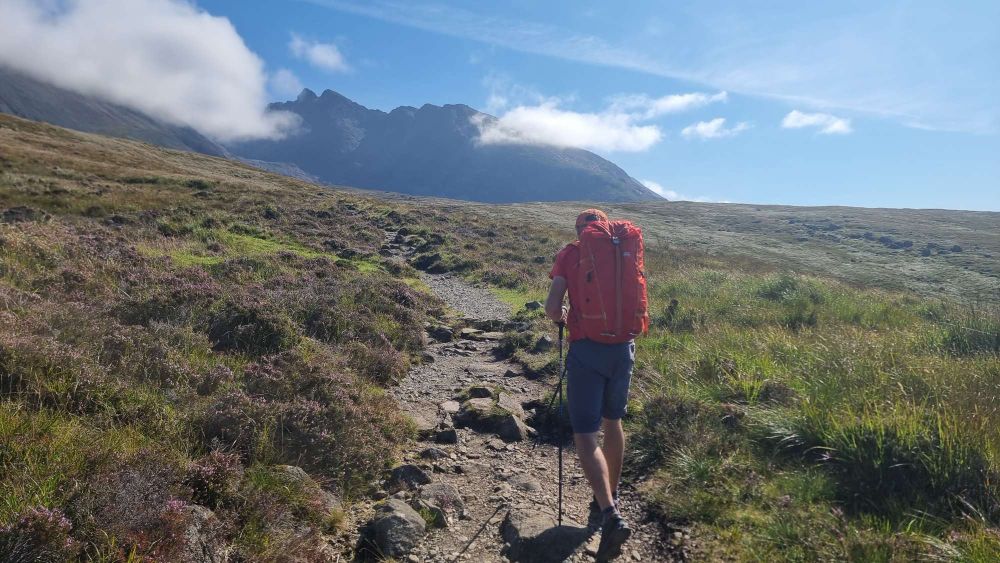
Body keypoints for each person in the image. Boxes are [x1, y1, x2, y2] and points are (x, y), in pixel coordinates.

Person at [545, 208, 634, 561]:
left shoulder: (570, 253)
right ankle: (610, 497)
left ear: (579, 230)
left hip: (586, 349)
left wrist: (562, 317)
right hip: (624, 348)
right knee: (614, 422)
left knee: (584, 433)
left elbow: (553, 307)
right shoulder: (622, 249)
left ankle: (609, 512)